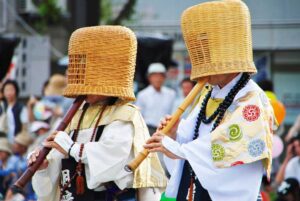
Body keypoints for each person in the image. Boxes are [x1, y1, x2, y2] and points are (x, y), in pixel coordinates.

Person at [144, 1, 275, 200]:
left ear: (227, 54)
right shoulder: (210, 92)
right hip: (192, 185)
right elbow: (193, 135)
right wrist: (173, 134)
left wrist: (178, 149)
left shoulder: (253, 99)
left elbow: (230, 145)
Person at [28, 26, 167, 201]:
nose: (84, 85)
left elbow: (112, 159)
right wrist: (44, 166)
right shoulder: (76, 114)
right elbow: (59, 160)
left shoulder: (125, 114)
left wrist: (72, 148)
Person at [136, 63, 176, 134]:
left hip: (166, 130)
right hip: (148, 130)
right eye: (155, 76)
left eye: (160, 76)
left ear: (164, 78)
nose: (158, 79)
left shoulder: (171, 94)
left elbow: (173, 114)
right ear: (149, 78)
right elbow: (138, 117)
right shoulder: (142, 95)